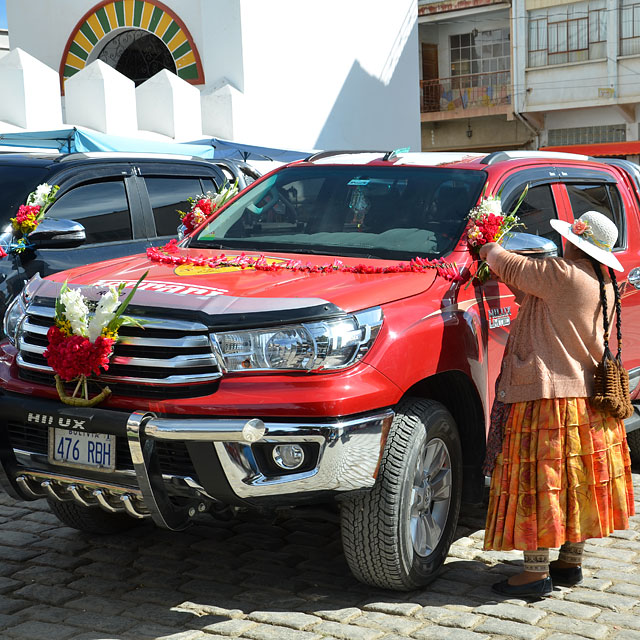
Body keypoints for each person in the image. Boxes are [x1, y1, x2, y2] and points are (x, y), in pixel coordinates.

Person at [478, 210, 636, 598]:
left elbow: (507, 263)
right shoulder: (602, 281)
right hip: (589, 404)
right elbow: (530, 289)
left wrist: (485, 243)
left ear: (573, 241)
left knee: (540, 484)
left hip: (551, 398)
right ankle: (569, 563)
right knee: (576, 485)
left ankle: (534, 575)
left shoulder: (562, 275)